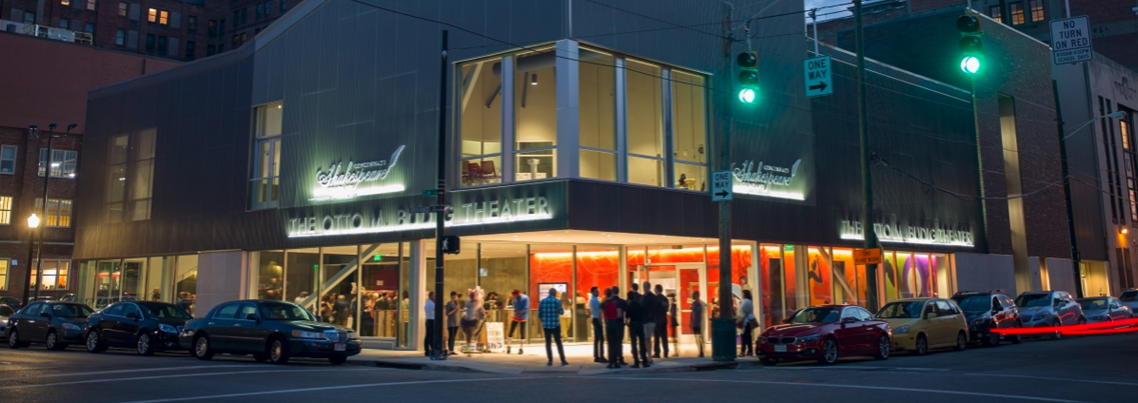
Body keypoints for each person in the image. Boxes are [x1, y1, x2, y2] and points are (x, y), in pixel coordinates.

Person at [538, 288, 569, 366]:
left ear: (548, 293)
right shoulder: (557, 301)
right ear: (555, 294)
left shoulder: (542, 302)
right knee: (558, 342)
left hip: (546, 326)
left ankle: (550, 360)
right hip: (555, 325)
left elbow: (539, 315)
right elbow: (561, 312)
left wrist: (544, 320)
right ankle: (563, 360)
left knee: (548, 343)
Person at [601, 287, 626, 369]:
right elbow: (619, 314)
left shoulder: (604, 303)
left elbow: (600, 314)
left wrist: (605, 320)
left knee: (610, 344)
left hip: (608, 324)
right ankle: (616, 361)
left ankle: (610, 361)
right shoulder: (616, 303)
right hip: (616, 323)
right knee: (616, 343)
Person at [625, 285, 649, 368]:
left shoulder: (629, 306)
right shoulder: (639, 305)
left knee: (634, 343)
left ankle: (636, 361)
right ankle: (645, 360)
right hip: (640, 324)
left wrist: (627, 323)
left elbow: (627, 318)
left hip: (633, 325)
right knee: (642, 342)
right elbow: (643, 314)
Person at [460, 287, 486, 354]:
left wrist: (483, 312)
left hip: (474, 319)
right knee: (468, 333)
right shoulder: (468, 300)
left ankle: (471, 345)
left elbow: (480, 307)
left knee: (471, 333)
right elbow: (467, 306)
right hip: (467, 318)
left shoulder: (480, 301)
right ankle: (469, 344)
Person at [507, 290, 529, 354]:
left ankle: (521, 348)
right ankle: (508, 346)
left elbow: (526, 307)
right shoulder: (515, 298)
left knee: (522, 332)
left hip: (522, 316)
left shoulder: (525, 297)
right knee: (511, 330)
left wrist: (518, 313)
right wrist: (516, 312)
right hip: (517, 315)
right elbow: (515, 306)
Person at [588, 286, 606, 363]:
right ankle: (601, 356)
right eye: (596, 291)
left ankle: (596, 355)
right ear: (592, 292)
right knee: (601, 338)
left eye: (598, 291)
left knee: (596, 338)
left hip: (594, 318)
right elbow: (600, 311)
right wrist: (601, 322)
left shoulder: (591, 300)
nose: (598, 292)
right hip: (597, 319)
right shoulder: (595, 301)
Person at [653, 284, 670, 358]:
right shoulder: (665, 299)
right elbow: (667, 309)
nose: (654, 290)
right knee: (664, 336)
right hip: (664, 318)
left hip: (657, 319)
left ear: (657, 289)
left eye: (655, 289)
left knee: (657, 337)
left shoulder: (655, 299)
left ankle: (657, 352)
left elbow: (653, 309)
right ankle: (666, 352)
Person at [641, 282, 657, 363]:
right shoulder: (643, 297)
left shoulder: (652, 297)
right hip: (645, 320)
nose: (644, 288)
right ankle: (647, 356)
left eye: (645, 287)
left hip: (650, 320)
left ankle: (649, 357)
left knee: (648, 338)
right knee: (646, 339)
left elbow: (654, 309)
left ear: (649, 287)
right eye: (643, 287)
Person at [739, 289, 756, 357]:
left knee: (744, 336)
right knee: (748, 337)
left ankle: (743, 351)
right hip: (749, 320)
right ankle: (750, 351)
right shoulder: (749, 302)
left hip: (746, 321)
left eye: (742, 293)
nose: (741, 295)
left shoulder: (745, 302)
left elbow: (742, 311)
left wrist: (739, 320)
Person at [690, 290, 706, 357]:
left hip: (698, 323)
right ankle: (701, 350)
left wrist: (691, 322)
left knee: (699, 338)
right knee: (699, 337)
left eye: (693, 295)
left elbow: (694, 313)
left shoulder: (697, 304)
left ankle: (701, 351)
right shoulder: (700, 303)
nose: (692, 296)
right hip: (698, 323)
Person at [424, 291, 436, 357]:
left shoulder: (426, 304)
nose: (435, 297)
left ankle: (427, 350)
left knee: (427, 336)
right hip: (432, 320)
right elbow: (436, 311)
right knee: (431, 336)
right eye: (434, 295)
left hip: (428, 320)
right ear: (430, 296)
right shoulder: (432, 304)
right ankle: (432, 349)